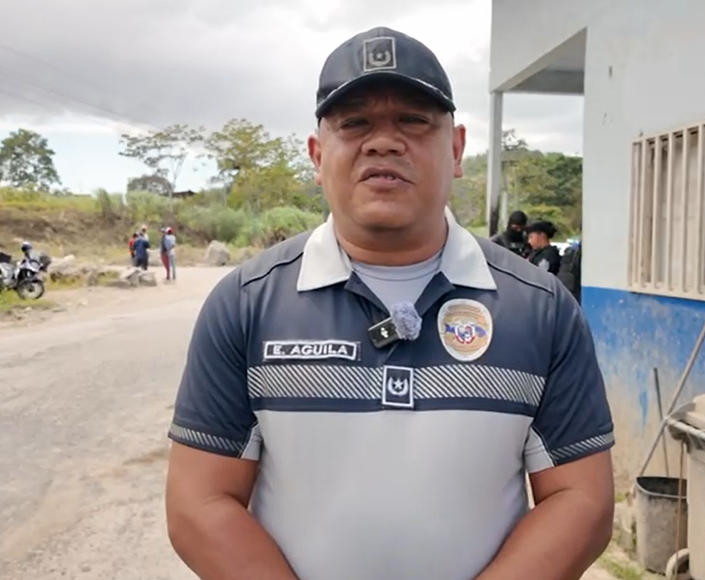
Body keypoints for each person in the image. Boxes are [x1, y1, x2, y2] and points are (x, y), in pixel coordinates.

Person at [165, 26, 615, 580]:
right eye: (354, 123)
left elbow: (580, 498)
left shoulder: (541, 308)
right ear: (316, 154)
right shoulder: (245, 304)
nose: (383, 142)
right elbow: (199, 504)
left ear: (455, 150)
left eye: (413, 120)